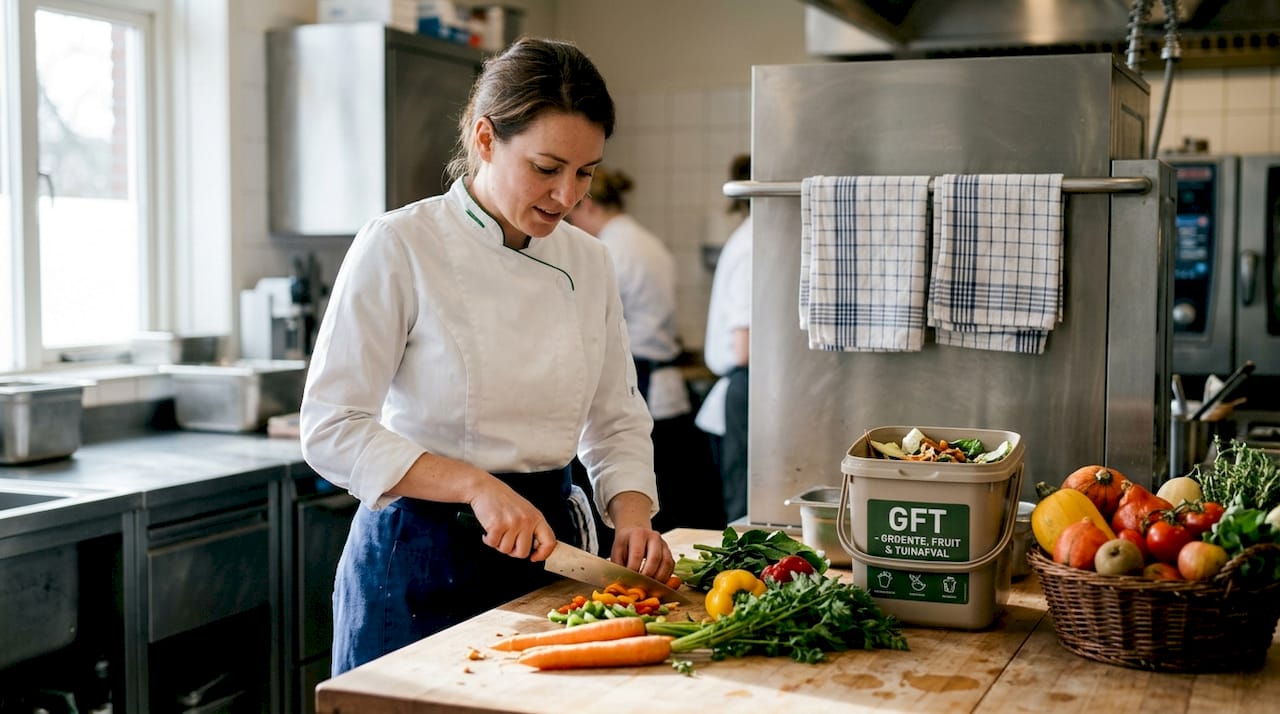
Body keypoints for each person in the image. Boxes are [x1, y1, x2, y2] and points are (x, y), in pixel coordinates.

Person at [299, 37, 675, 676]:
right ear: (484, 139)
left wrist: (633, 513)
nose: (566, 196)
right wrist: (474, 486)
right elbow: (331, 427)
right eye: (546, 167)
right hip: (419, 557)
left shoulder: (589, 260)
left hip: (549, 554)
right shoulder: (400, 245)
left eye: (585, 173)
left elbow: (614, 414)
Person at [567, 170, 725, 533]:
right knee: (667, 494)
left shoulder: (609, 250)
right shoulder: (644, 241)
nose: (571, 223)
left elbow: (597, 330)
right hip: (659, 381)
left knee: (654, 497)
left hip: (641, 381)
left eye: (574, 213)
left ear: (587, 204)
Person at [696, 154, 752, 523]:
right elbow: (744, 348)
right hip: (745, 391)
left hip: (744, 390)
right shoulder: (755, 244)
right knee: (745, 515)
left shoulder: (752, 237)